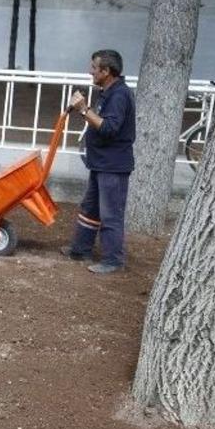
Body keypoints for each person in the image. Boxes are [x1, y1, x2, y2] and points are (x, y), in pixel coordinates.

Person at [61, 49, 135, 274]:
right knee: (90, 208)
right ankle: (81, 249)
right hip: (101, 163)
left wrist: (84, 108)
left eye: (94, 68)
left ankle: (113, 260)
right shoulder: (107, 91)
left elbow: (109, 128)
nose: (90, 71)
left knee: (110, 213)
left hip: (113, 166)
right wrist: (83, 110)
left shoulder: (120, 95)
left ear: (107, 71)